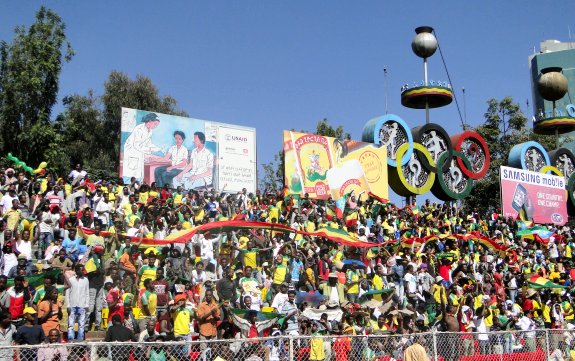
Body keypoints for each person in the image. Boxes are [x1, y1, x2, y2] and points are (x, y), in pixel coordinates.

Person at [122, 112, 162, 181]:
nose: (155, 126)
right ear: (149, 121)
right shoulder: (139, 129)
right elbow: (136, 145)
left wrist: (158, 149)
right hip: (132, 152)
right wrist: (149, 150)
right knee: (131, 175)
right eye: (155, 124)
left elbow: (149, 143)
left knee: (139, 175)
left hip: (139, 153)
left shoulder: (150, 131)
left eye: (157, 125)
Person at [64, 264, 90, 341]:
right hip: (72, 304)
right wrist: (68, 305)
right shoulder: (71, 280)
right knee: (71, 324)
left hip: (82, 305)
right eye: (81, 270)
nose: (83, 271)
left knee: (81, 324)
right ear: (77, 271)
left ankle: (80, 339)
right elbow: (67, 293)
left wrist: (86, 305)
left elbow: (87, 293)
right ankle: (71, 339)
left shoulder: (85, 280)